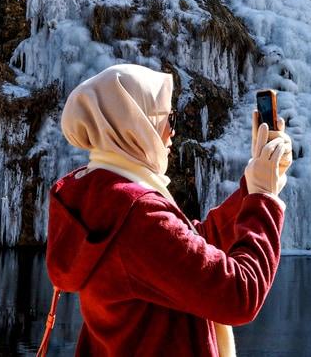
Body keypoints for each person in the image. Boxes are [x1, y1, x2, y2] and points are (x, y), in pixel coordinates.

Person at [45, 63, 294, 356]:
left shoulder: (100, 195)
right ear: (135, 124)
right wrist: (263, 200)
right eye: (168, 119)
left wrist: (252, 188)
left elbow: (189, 248)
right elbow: (239, 295)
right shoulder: (137, 214)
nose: (172, 132)